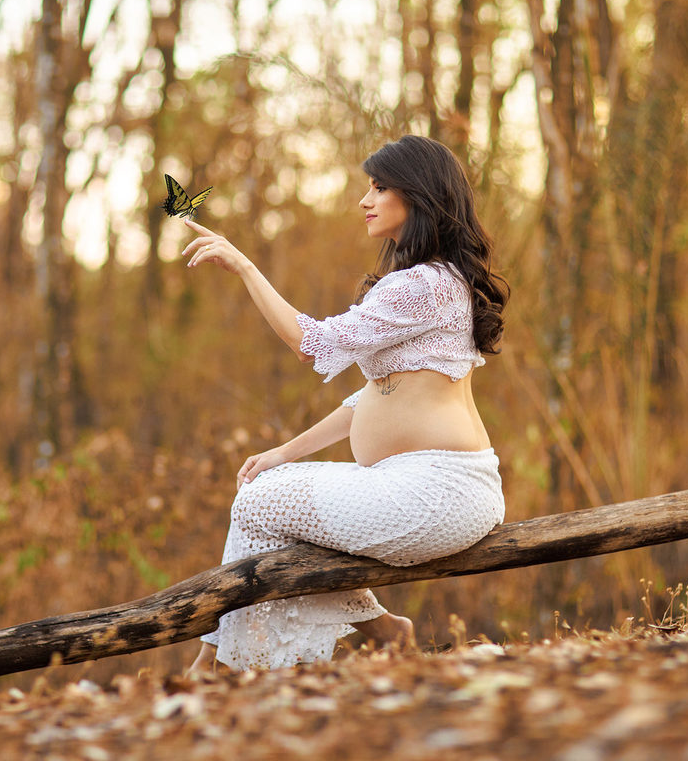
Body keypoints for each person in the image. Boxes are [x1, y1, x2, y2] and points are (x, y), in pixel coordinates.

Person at [181, 135, 510, 673]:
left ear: (419, 196)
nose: (365, 200)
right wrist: (284, 452)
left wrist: (245, 267)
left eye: (380, 188)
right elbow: (370, 398)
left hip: (433, 492)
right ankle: (367, 633)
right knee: (265, 505)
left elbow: (313, 343)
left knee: (258, 505)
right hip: (434, 488)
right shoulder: (434, 281)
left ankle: (222, 669)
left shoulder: (423, 286)